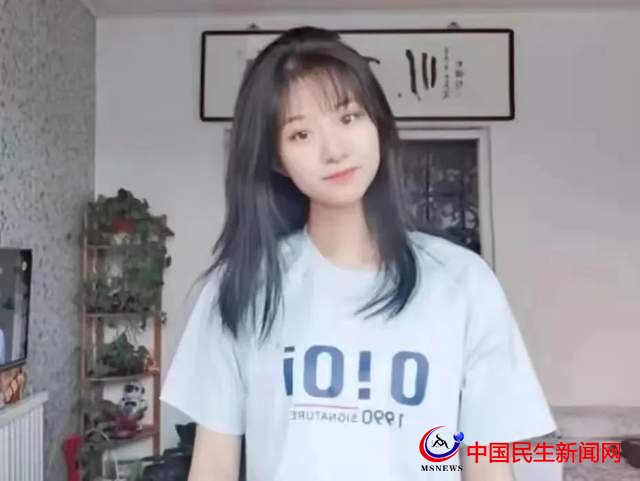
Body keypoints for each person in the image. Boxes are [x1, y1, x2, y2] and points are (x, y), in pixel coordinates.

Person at [160, 26, 557, 481]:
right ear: (275, 159)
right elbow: (212, 467)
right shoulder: (241, 287)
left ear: (378, 124)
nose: (334, 150)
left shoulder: (463, 283)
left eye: (348, 118)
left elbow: (485, 464)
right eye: (301, 134)